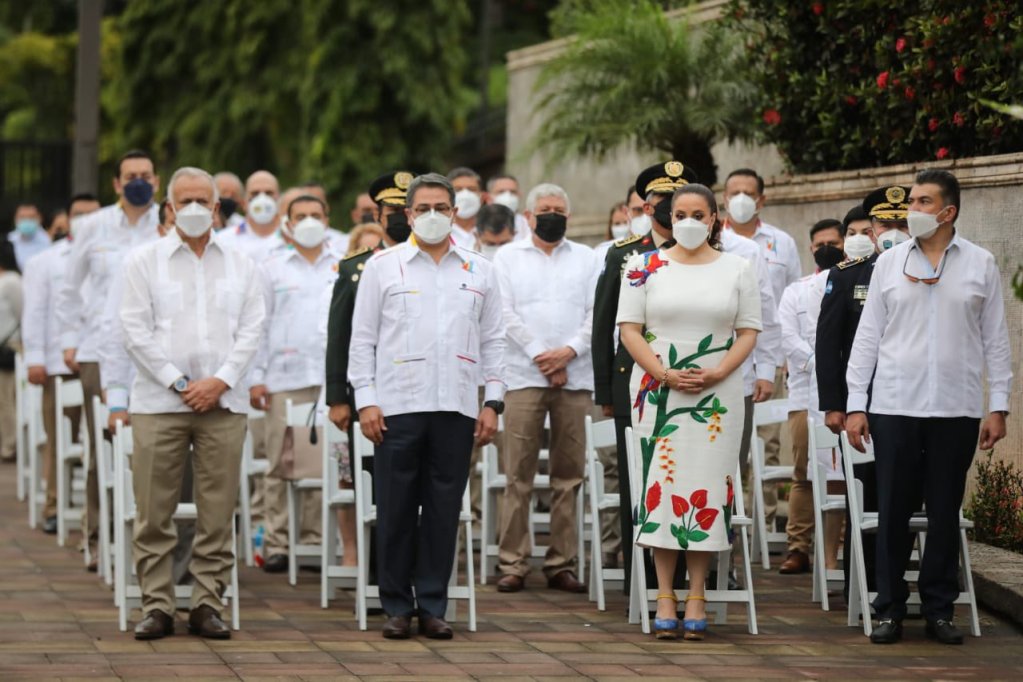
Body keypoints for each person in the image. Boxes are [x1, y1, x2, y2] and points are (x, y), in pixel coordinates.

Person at [846, 169, 1012, 646]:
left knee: (944, 512)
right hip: (894, 404)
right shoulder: (888, 263)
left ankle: (940, 610)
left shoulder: (980, 263)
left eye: (923, 202)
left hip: (956, 407)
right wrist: (856, 404)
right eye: (911, 201)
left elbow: (996, 340)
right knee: (893, 511)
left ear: (948, 211)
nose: (912, 210)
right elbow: (867, 338)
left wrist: (998, 406)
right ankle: (889, 608)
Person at [348, 172, 506, 639]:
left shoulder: (480, 269)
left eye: (441, 208)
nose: (433, 216)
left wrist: (493, 401)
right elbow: (362, 340)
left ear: (455, 213)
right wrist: (366, 401)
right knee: (395, 508)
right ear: (408, 214)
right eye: (423, 209)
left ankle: (433, 605)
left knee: (443, 509)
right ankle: (397, 606)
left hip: (456, 405)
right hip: (397, 405)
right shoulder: (383, 266)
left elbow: (495, 341)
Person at [119, 166, 264, 640]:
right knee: (153, 512)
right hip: (159, 403)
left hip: (223, 404)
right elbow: (134, 331)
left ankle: (207, 602)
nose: (196, 209)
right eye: (186, 201)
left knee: (217, 511)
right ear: (170, 208)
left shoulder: (242, 263)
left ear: (217, 208)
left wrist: (218, 382)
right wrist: (181, 383)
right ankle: (157, 605)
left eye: (204, 201)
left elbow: (253, 330)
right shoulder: (143, 261)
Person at [617, 182, 762, 640]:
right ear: (668, 217)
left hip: (717, 396)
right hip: (659, 393)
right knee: (661, 488)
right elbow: (629, 330)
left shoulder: (738, 268)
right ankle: (664, 593)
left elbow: (748, 331)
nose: (690, 223)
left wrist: (718, 372)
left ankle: (697, 592)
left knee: (707, 488)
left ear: (715, 218)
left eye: (699, 214)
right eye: (681, 215)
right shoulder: (642, 266)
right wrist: (663, 373)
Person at [591, 161, 696, 593]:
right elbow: (604, 325)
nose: (668, 208)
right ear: (647, 207)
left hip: (688, 379)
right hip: (632, 381)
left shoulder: (701, 251)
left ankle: (686, 576)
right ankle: (642, 581)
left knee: (684, 477)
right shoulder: (624, 254)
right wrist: (604, 390)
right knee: (637, 481)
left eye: (676, 201)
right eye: (661, 201)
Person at [58, 149, 162, 566]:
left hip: (155, 354)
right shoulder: (93, 226)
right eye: (130, 175)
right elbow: (69, 288)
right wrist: (70, 341)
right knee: (102, 444)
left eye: (145, 175)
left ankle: (146, 540)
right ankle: (98, 536)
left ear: (156, 181)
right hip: (100, 351)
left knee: (154, 448)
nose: (138, 181)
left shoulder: (167, 226)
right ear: (117, 183)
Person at [493, 183, 598, 595]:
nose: (552, 215)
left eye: (558, 210)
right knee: (517, 473)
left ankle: (561, 563)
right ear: (528, 216)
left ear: (568, 217)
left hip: (575, 375)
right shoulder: (507, 258)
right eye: (544, 209)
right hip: (523, 375)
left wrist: (568, 353)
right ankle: (513, 562)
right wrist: (542, 355)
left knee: (569, 475)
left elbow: (596, 313)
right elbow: (504, 314)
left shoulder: (587, 258)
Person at [816, 187, 911, 602]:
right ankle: (866, 584)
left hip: (914, 402)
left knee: (910, 498)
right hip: (864, 405)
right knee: (870, 494)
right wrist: (834, 404)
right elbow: (829, 344)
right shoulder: (848, 274)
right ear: (872, 230)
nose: (893, 231)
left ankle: (897, 583)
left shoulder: (928, 270)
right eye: (885, 224)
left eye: (901, 223)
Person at [325, 171, 415, 577]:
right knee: (373, 486)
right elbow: (340, 335)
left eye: (403, 210)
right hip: (369, 396)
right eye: (390, 210)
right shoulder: (356, 268)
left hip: (418, 392)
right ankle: (379, 578)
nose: (397, 217)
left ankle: (415, 575)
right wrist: (337, 398)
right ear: (377, 216)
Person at [249, 195, 340, 574]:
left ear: (327, 219)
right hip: (283, 377)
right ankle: (277, 542)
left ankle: (315, 539)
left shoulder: (342, 263)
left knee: (323, 461)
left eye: (315, 215)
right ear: (287, 223)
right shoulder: (271, 268)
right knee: (278, 462)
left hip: (329, 378)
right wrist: (256, 377)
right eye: (300, 216)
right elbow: (258, 324)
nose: (308, 222)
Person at [722, 168, 801, 532]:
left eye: (748, 192)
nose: (741, 199)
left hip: (767, 362)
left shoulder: (781, 243)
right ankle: (729, 525)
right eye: (734, 192)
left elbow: (786, 303)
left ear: (761, 200)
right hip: (725, 365)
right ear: (724, 199)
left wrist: (776, 364)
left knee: (766, 446)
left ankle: (763, 527)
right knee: (728, 452)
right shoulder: (711, 243)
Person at [21, 193, 100, 532]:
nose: (85, 220)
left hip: (100, 359)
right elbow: (35, 311)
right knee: (58, 438)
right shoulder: (45, 261)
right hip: (59, 364)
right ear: (68, 218)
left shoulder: (113, 256)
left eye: (91, 214)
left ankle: (97, 513)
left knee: (99, 439)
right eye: (78, 213)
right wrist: (35, 358)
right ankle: (55, 505)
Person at [776, 218, 847, 575]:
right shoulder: (796, 291)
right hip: (806, 394)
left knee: (847, 474)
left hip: (850, 397)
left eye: (834, 243)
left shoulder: (856, 285)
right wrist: (826, 364)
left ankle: (841, 547)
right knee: (804, 472)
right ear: (811, 249)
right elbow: (788, 337)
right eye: (820, 245)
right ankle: (798, 547)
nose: (827, 249)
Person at [217, 170, 285, 262]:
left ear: (280, 199)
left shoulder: (293, 239)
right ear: (243, 202)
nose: (262, 198)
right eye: (255, 193)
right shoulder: (223, 241)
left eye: (269, 193)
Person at [0, 241, 23, 463]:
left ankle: (11, 445)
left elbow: (21, 313)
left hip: (10, 348)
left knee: (7, 399)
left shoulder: (12, 281)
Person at [447, 167, 484, 250]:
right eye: (458, 189)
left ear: (481, 197)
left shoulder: (492, 230)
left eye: (472, 189)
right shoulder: (439, 232)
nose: (465, 195)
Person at [486, 173, 532, 240]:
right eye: (501, 192)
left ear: (520, 195)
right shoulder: (477, 225)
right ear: (488, 198)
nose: (508, 196)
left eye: (513, 192)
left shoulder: (529, 226)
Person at [8, 203, 52, 270]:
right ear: (15, 219)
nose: (27, 220)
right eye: (22, 217)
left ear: (40, 218)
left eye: (31, 217)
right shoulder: (9, 240)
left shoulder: (48, 240)